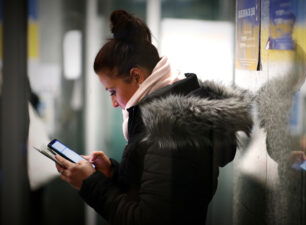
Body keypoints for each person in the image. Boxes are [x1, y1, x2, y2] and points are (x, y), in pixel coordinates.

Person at [55, 9, 255, 225]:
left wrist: (90, 183)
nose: (114, 103)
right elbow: (155, 189)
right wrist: (112, 172)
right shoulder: (169, 121)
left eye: (113, 91)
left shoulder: (171, 129)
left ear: (136, 76)